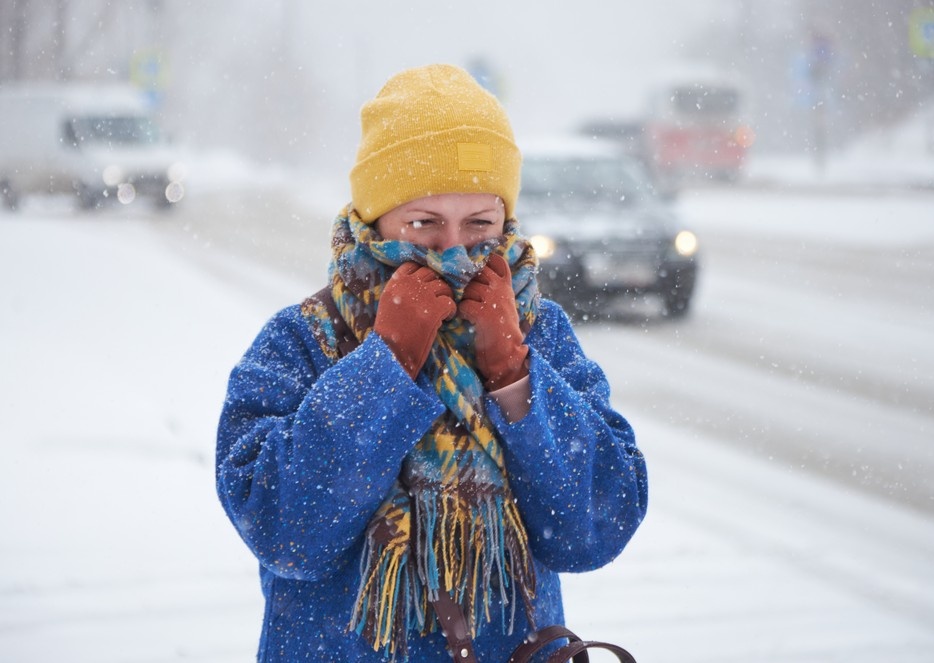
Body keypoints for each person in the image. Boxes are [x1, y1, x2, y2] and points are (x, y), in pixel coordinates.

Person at [216, 63, 647, 662]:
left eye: (479, 225)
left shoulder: (539, 333)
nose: (453, 252)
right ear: (376, 221)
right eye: (423, 224)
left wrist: (517, 377)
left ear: (506, 223)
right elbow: (287, 532)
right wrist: (385, 365)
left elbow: (598, 526)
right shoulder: (303, 339)